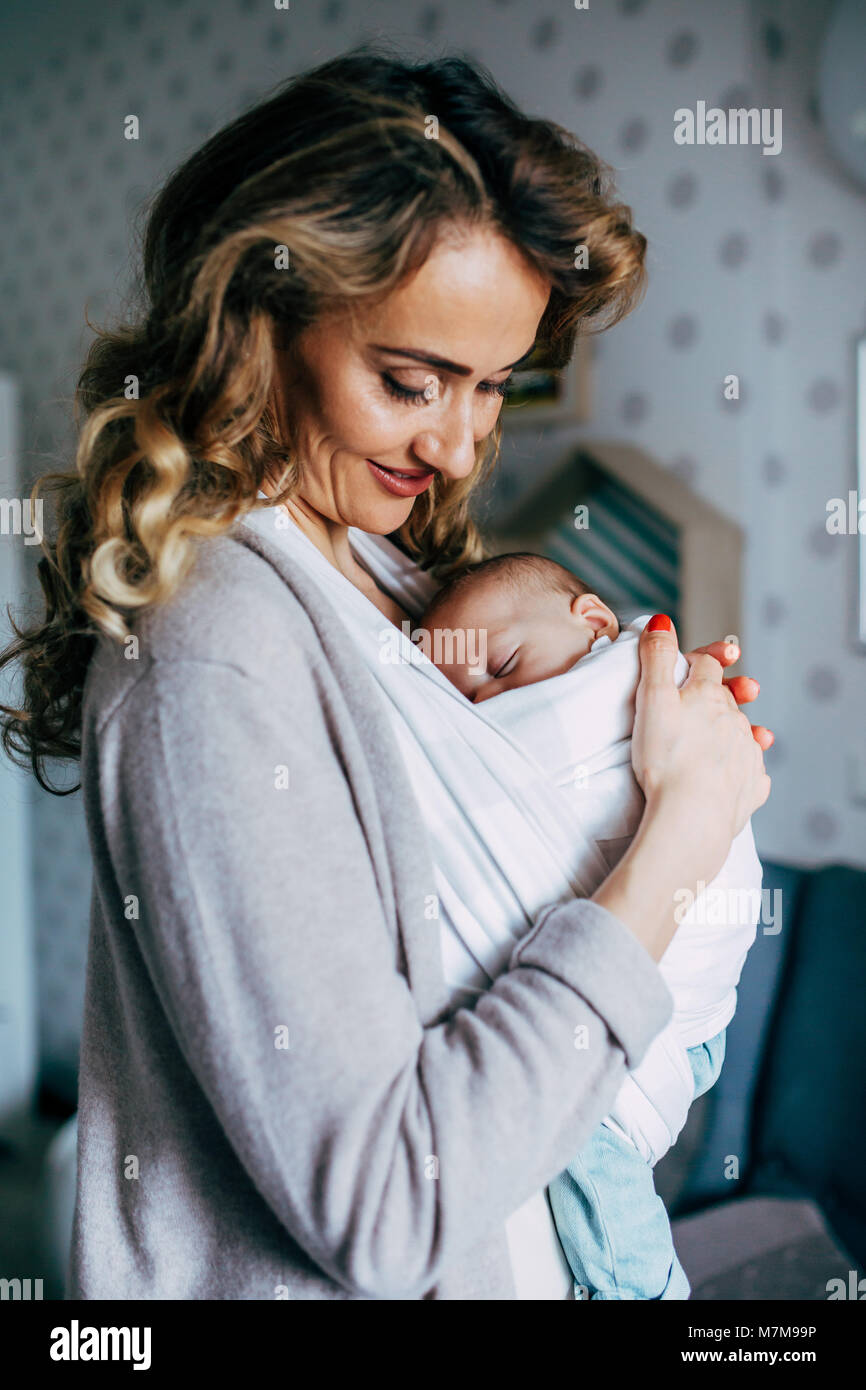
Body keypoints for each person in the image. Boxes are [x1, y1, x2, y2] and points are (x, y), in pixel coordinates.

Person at [0, 47, 771, 1300]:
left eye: (491, 388)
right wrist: (682, 832)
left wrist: (636, 747)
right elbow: (386, 1206)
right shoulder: (214, 653)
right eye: (410, 381)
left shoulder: (380, 574)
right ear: (260, 320)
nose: (460, 443)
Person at [415, 550, 762, 1298]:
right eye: (461, 701)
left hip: (684, 995)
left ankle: (644, 1288)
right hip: (669, 1016)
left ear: (597, 624)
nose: (487, 702)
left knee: (579, 1139)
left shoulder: (629, 680)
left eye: (502, 663)